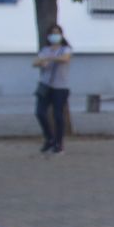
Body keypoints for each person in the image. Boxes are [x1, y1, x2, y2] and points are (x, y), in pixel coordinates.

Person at [33, 24, 73, 154]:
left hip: (60, 87)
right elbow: (35, 62)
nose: (54, 36)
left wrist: (50, 58)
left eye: (57, 33)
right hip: (46, 85)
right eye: (52, 33)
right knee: (40, 112)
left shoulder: (65, 49)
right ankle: (49, 138)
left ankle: (58, 143)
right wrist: (42, 61)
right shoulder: (45, 49)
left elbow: (65, 59)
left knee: (58, 115)